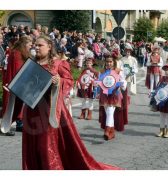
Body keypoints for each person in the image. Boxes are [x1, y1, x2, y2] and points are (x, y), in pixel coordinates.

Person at [18, 35, 120, 170]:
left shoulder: (58, 63)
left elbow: (69, 81)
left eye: (40, 45)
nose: (36, 47)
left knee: (45, 145)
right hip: (31, 110)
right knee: (32, 145)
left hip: (51, 110)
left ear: (49, 47)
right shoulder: (31, 64)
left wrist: (58, 81)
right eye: (35, 45)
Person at [1, 36, 33, 136]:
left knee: (18, 105)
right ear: (24, 44)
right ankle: (5, 127)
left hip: (18, 83)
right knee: (10, 107)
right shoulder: (16, 54)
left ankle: (19, 124)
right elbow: (17, 70)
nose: (31, 46)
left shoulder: (20, 53)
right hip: (13, 83)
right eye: (29, 45)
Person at [98, 54, 127, 141]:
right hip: (105, 95)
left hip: (115, 94)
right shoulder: (102, 71)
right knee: (108, 113)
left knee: (110, 112)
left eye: (110, 62)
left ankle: (107, 131)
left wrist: (122, 84)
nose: (109, 63)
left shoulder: (118, 71)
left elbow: (123, 82)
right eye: (107, 61)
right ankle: (112, 132)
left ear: (114, 62)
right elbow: (100, 82)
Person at [76, 53, 98, 120]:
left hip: (90, 87)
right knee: (83, 100)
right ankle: (82, 114)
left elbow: (97, 78)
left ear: (92, 64)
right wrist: (78, 82)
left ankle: (89, 114)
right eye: (87, 63)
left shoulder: (94, 71)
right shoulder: (84, 70)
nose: (88, 64)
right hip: (84, 88)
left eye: (89, 63)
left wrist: (94, 82)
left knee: (90, 101)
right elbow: (80, 78)